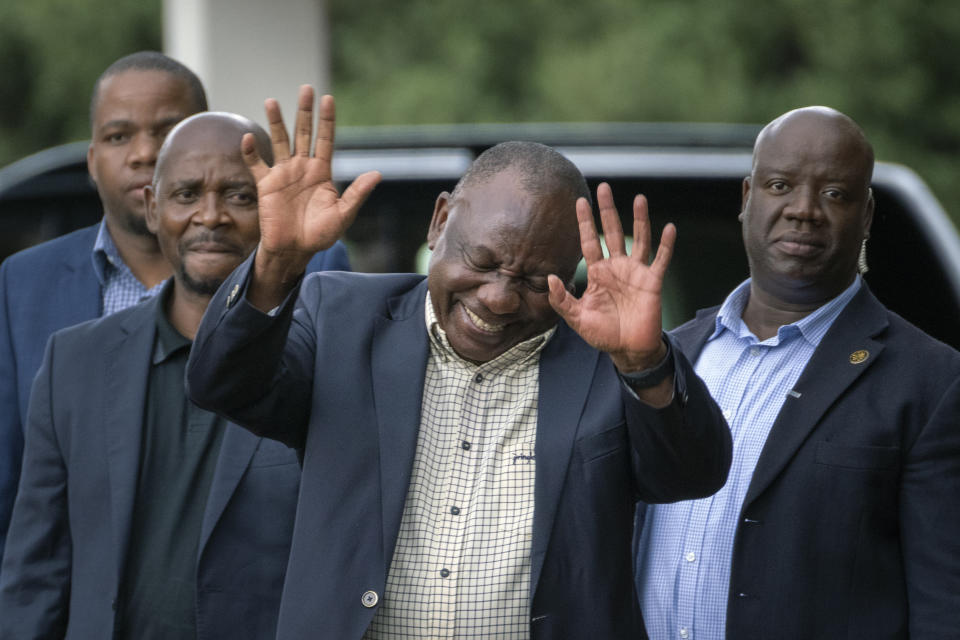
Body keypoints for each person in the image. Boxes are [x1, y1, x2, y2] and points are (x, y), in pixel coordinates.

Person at [185, 86, 731, 639]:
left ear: (569, 278)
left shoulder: (608, 363)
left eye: (532, 281)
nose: (498, 298)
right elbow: (222, 384)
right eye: (483, 261)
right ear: (440, 221)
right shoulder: (340, 319)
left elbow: (693, 472)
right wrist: (276, 263)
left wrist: (645, 364)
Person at [0, 52, 349, 561]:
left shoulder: (311, 265)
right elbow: (14, 476)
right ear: (92, 160)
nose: (143, 152)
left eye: (167, 129)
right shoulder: (23, 283)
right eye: (119, 136)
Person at [634, 106, 960, 639]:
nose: (803, 210)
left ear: (867, 215)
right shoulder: (669, 359)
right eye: (781, 184)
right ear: (747, 199)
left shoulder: (931, 383)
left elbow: (945, 605)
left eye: (835, 193)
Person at [0, 112, 304, 639]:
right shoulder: (74, 363)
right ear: (153, 208)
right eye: (187, 194)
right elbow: (37, 572)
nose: (211, 216)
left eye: (240, 196)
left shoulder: (322, 360)